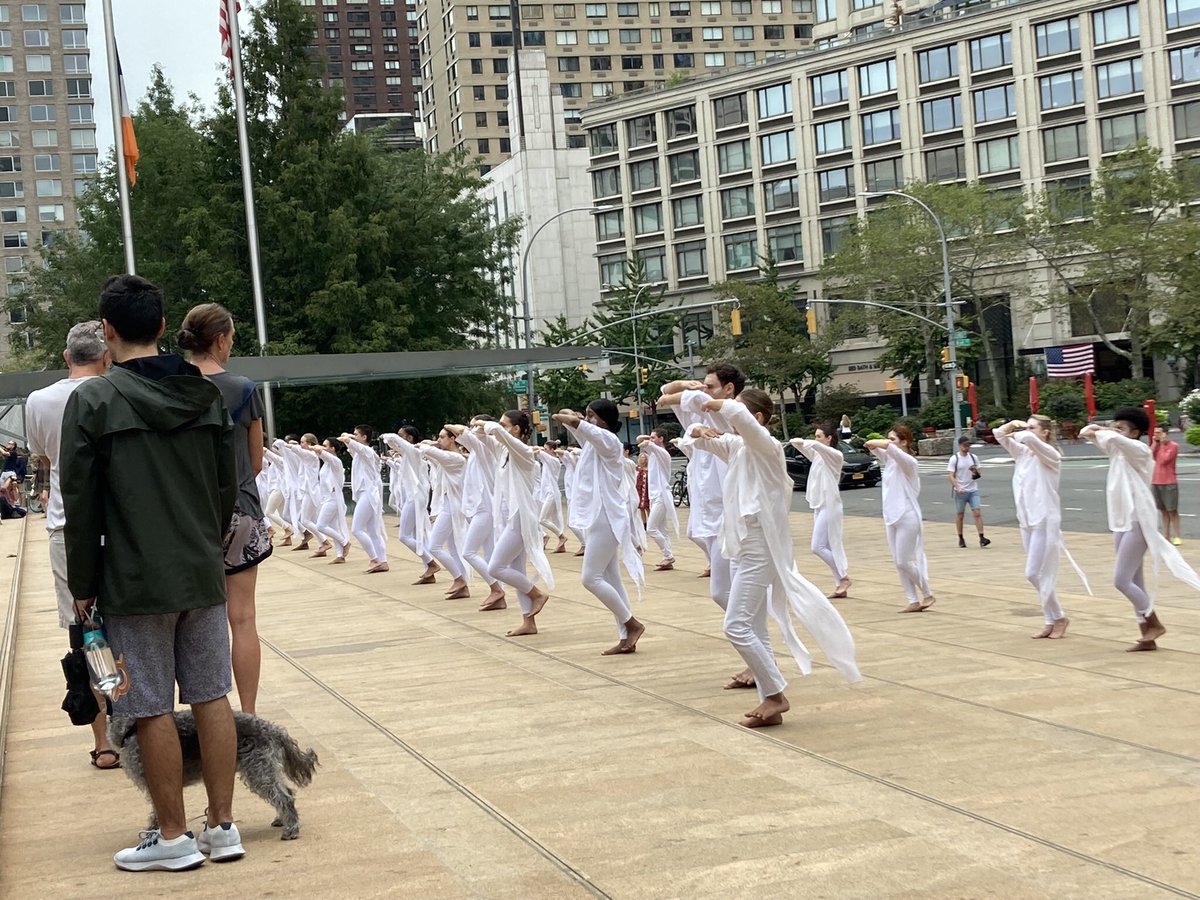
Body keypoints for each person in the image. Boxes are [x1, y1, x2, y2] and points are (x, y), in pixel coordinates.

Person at [61, 274, 241, 870]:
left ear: (106, 330)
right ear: (164, 327)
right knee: (214, 695)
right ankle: (223, 826)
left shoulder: (91, 401)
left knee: (150, 706)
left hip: (135, 578)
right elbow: (226, 491)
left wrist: (83, 589)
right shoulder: (207, 397)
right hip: (200, 572)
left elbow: (81, 506)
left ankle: (172, 837)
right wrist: (206, 545)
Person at [685, 389, 861, 728]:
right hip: (741, 545)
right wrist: (698, 430)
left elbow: (743, 421)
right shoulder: (736, 447)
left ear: (760, 418)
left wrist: (723, 404)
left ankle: (777, 694)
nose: (727, 420)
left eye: (742, 414)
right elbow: (692, 441)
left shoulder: (766, 447)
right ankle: (770, 700)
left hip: (761, 548)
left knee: (735, 625)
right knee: (752, 625)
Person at [26, 320, 118, 769]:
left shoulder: (39, 401)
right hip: (121, 525)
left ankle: (104, 740)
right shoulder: (118, 392)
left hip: (67, 527)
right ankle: (143, 723)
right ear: (105, 356)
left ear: (66, 357)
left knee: (85, 630)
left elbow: (44, 455)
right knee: (134, 626)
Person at [178, 303, 272, 716]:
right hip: (240, 512)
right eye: (231, 339)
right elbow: (255, 463)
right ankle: (248, 713)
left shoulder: (170, 385)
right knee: (243, 618)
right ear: (219, 340)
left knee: (194, 619)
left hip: (187, 514)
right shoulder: (244, 390)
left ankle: (205, 710)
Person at [659, 363, 752, 689]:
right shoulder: (698, 412)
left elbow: (670, 400)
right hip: (710, 514)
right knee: (721, 594)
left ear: (728, 389)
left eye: (711, 385)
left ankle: (757, 656)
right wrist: (688, 384)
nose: (704, 391)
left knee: (729, 593)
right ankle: (755, 651)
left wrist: (695, 399)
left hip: (733, 515)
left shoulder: (736, 412)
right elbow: (663, 396)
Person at [1081, 409, 1200, 651]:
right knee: (1136, 581)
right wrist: (1107, 430)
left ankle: (1154, 622)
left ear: (1135, 433)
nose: (1115, 430)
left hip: (1138, 522)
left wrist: (1108, 431)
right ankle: (1146, 634)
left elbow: (1113, 438)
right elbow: (1085, 432)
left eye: (1122, 427)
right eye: (1115, 426)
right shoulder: (1117, 450)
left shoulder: (1140, 451)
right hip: (1121, 521)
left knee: (1121, 580)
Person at [554, 401, 646, 655]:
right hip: (599, 516)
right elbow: (581, 431)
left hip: (607, 517)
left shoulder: (609, 442)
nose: (587, 419)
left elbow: (583, 428)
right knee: (612, 580)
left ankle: (632, 624)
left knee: (590, 578)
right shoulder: (595, 444)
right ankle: (626, 635)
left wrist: (570, 417)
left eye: (592, 415)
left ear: (603, 420)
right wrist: (572, 420)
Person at [994, 416, 1080, 639]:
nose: (1027, 430)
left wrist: (1023, 432)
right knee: (1036, 573)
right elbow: (998, 434)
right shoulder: (1022, 453)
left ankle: (1058, 616)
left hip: (1044, 519)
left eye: (1034, 427)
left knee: (1033, 572)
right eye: (1028, 426)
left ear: (1044, 433)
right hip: (1026, 519)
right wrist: (1013, 423)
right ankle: (1051, 618)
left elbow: (1028, 440)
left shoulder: (1051, 456)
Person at [483, 411, 554, 635]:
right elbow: (478, 436)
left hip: (521, 518)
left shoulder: (523, 452)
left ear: (515, 430)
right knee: (516, 568)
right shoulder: (504, 451)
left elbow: (493, 431)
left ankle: (537, 594)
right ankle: (528, 622)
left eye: (505, 424)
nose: (500, 427)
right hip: (510, 517)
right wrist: (479, 426)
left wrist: (487, 424)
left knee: (496, 567)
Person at [865, 425, 935, 613]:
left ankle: (927, 593)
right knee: (898, 562)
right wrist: (883, 443)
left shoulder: (909, 462)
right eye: (889, 439)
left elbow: (887, 448)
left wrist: (887, 443)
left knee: (904, 561)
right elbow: (870, 445)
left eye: (894, 439)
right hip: (891, 516)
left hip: (907, 515)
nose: (890, 442)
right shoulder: (889, 461)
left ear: (904, 442)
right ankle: (912, 600)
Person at [447, 418, 507, 608]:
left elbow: (456, 430)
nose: (471, 429)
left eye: (474, 426)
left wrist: (474, 426)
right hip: (483, 507)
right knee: (489, 554)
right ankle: (498, 595)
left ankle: (497, 588)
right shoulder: (476, 450)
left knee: (469, 552)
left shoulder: (483, 446)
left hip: (485, 508)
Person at [790, 424, 851, 599]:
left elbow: (814, 446)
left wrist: (808, 442)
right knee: (829, 545)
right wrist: (797, 442)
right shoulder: (817, 456)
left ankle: (843, 577)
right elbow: (802, 447)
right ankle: (840, 584)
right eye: (815, 436)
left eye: (819, 436)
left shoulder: (835, 456)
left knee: (818, 547)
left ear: (828, 438)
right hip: (820, 505)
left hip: (830, 505)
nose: (816, 439)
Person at [420, 427, 471, 599]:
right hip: (448, 505)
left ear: (452, 439)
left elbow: (427, 450)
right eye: (438, 437)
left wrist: (431, 444)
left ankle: (459, 578)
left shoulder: (454, 458)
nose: (438, 439)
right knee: (454, 549)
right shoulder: (449, 458)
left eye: (442, 437)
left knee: (434, 546)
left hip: (454, 508)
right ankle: (462, 585)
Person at [341, 426, 390, 573]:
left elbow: (353, 443)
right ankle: (383, 561)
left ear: (364, 438)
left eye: (357, 434)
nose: (354, 436)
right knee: (373, 531)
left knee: (357, 529)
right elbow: (349, 443)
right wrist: (348, 437)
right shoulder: (358, 454)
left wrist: (349, 438)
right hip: (364, 493)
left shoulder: (368, 452)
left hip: (368, 493)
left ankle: (374, 559)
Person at [637, 428, 679, 570]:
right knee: (662, 529)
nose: (651, 439)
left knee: (651, 528)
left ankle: (668, 555)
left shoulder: (663, 453)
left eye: (655, 437)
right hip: (654, 495)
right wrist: (649, 437)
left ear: (661, 439)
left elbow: (649, 444)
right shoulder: (652, 453)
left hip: (661, 495)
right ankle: (667, 558)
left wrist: (650, 441)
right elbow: (639, 440)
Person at [946, 436, 991, 549]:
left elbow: (978, 474)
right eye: (965, 445)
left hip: (972, 489)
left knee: (977, 513)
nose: (967, 448)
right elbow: (951, 475)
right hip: (960, 491)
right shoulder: (954, 459)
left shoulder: (973, 457)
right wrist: (957, 486)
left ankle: (982, 537)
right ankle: (961, 537)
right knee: (960, 514)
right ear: (960, 445)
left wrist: (975, 471)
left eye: (968, 445)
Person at [1152, 423, 1182, 546]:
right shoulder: (1157, 446)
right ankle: (1166, 534)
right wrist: (1155, 443)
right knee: (1163, 510)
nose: (1156, 435)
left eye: (1159, 433)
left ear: (1165, 433)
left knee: (1172, 510)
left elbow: (1165, 460)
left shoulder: (1173, 446)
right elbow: (1150, 456)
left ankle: (1177, 535)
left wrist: (1163, 445)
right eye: (1155, 433)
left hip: (1169, 481)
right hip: (1156, 481)